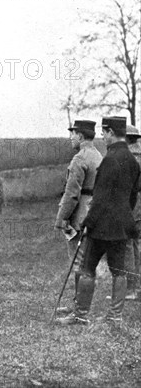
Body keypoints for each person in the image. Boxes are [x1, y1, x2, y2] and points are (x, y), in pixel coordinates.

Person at [57, 116, 140, 325]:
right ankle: (115, 316)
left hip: (102, 226)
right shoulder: (132, 160)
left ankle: (80, 314)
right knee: (118, 270)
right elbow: (133, 196)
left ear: (111, 132)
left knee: (86, 268)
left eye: (104, 132)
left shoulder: (110, 159)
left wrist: (88, 222)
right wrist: (124, 215)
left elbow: (100, 198)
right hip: (122, 224)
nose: (103, 136)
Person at [54, 120, 103, 314]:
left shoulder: (79, 158)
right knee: (85, 260)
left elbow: (71, 193)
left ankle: (79, 309)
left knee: (78, 262)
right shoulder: (99, 156)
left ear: (81, 136)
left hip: (80, 214)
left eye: (72, 134)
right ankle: (78, 304)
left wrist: (62, 218)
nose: (70, 138)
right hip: (95, 211)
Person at [125, 125, 141, 300]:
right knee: (137, 245)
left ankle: (131, 288)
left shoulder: (127, 157)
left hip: (131, 204)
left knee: (128, 246)